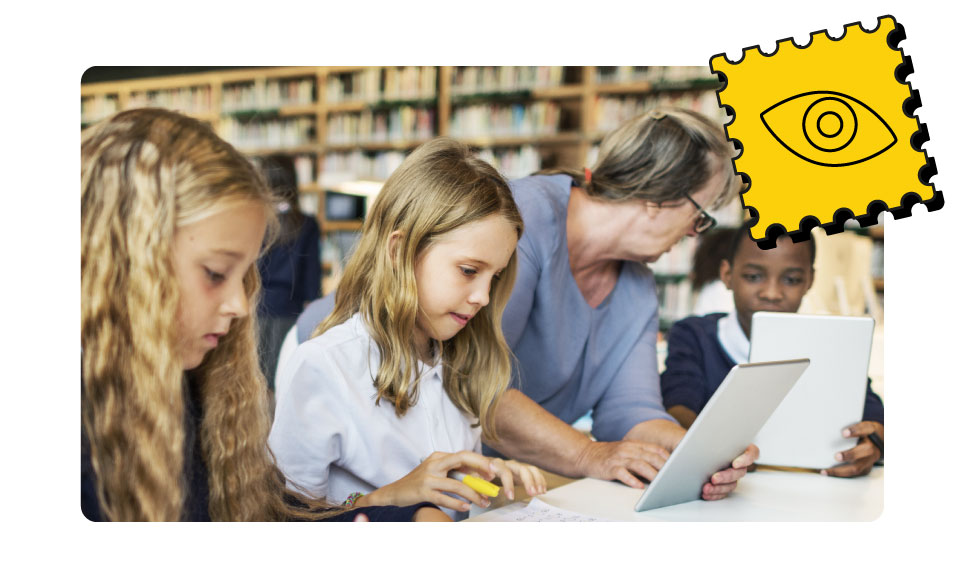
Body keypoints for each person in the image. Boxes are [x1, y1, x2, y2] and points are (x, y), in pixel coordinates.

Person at [290, 107, 757, 500]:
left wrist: (699, 454)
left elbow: (631, 410)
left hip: (451, 464)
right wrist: (588, 454)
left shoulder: (636, 285)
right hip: (363, 375)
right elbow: (474, 379)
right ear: (662, 197)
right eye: (700, 217)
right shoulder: (523, 217)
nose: (693, 235)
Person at [81, 108, 446, 521]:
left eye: (245, 276)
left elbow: (268, 515)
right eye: (216, 273)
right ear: (123, 262)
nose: (239, 306)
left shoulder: (199, 389)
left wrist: (400, 514)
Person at [268, 138, 546, 520]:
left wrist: (487, 485)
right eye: (468, 271)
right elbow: (286, 519)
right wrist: (392, 496)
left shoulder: (460, 361)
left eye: (494, 278)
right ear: (399, 251)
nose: (483, 297)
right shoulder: (323, 365)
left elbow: (450, 495)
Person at [660, 220, 884, 477]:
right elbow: (676, 408)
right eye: (754, 277)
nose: (772, 293)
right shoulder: (695, 336)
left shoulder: (830, 345)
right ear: (727, 275)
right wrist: (713, 448)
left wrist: (873, 444)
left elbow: (875, 418)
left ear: (810, 280)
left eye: (791, 279)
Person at [254, 154, 321, 397]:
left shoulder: (255, 221)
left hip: (256, 311)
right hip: (290, 315)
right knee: (284, 381)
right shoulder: (307, 224)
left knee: (254, 382)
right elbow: (312, 282)